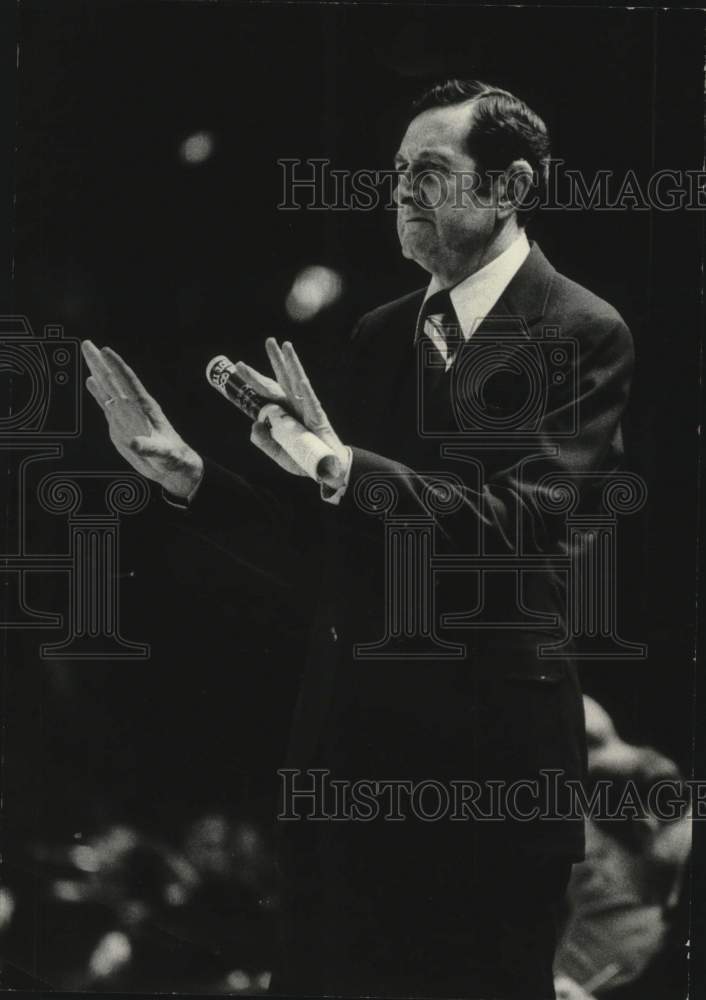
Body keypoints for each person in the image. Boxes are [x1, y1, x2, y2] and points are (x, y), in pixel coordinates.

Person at [82, 79, 635, 999]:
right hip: (345, 779)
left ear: (508, 188)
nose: (400, 189)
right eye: (396, 171)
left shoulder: (582, 329)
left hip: (484, 791)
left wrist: (341, 465)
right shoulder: (382, 334)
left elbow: (516, 530)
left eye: (429, 170)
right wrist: (193, 480)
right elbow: (332, 552)